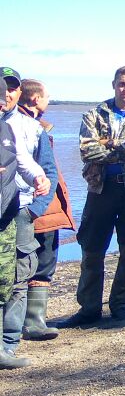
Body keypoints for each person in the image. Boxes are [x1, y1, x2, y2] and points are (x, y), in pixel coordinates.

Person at [56, 66, 125, 328]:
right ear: (114, 84)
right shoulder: (94, 115)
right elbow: (88, 152)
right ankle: (89, 308)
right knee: (92, 248)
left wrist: (113, 144)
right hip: (101, 188)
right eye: (122, 84)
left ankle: (120, 305)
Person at [17, 78, 76, 341]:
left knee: (43, 260)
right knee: (30, 262)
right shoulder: (22, 127)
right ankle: (27, 323)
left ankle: (33, 320)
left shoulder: (37, 126)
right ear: (36, 99)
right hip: (33, 207)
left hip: (44, 207)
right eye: (47, 96)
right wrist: (36, 208)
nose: (49, 101)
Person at [0, 66, 50, 368]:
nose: (5, 95)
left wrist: (38, 180)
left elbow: (23, 160)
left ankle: (8, 344)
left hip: (13, 211)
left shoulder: (16, 128)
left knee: (16, 277)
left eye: (10, 88)